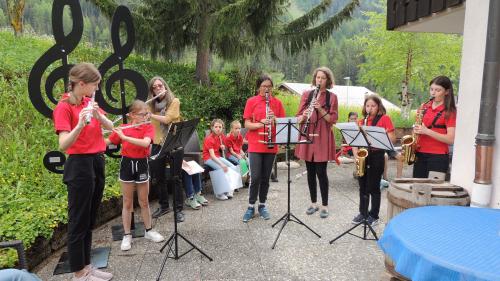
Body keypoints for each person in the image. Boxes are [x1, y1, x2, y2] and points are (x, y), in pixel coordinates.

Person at [53, 63, 114, 281]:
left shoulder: (89, 102)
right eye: (94, 85)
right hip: (79, 165)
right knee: (78, 220)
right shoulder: (64, 107)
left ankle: (87, 266)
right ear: (81, 84)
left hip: (97, 161)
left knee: (89, 219)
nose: (96, 88)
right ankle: (79, 273)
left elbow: (111, 128)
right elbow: (63, 144)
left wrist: (98, 115)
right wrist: (79, 124)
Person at [106, 100, 165, 251]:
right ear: (131, 115)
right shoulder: (123, 128)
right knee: (127, 202)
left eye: (147, 113)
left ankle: (149, 231)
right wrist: (89, 138)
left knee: (144, 201)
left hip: (142, 164)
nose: (146, 116)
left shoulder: (148, 127)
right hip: (127, 164)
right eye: (142, 114)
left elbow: (146, 144)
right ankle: (127, 235)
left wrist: (124, 138)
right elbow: (108, 141)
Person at [295, 67, 339, 219]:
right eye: (318, 78)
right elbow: (298, 118)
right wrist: (304, 116)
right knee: (310, 172)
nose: (320, 80)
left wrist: (320, 109)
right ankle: (313, 203)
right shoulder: (307, 95)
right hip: (308, 134)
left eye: (323, 78)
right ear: (315, 79)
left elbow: (332, 120)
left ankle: (325, 205)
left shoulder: (331, 97)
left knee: (321, 172)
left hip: (322, 135)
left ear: (328, 81)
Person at [242, 74, 285, 222]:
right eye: (264, 86)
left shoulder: (277, 103)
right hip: (255, 144)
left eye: (269, 86)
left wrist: (274, 120)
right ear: (258, 87)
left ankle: (262, 205)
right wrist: (261, 123)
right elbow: (247, 124)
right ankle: (250, 206)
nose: (267, 89)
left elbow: (282, 123)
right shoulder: (251, 101)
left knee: (266, 178)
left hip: (271, 144)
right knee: (255, 177)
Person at [352, 94, 396, 227]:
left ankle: (374, 215)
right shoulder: (361, 121)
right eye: (367, 106)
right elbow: (355, 141)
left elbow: (392, 139)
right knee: (362, 186)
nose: (369, 108)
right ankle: (363, 213)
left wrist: (374, 136)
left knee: (373, 187)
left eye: (373, 106)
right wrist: (356, 157)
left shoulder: (384, 119)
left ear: (379, 106)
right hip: (363, 156)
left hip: (377, 156)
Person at [147, 76, 184, 222]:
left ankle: (178, 210)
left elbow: (168, 119)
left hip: (173, 142)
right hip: (157, 143)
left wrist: (151, 115)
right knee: (158, 177)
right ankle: (164, 206)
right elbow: (146, 120)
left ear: (165, 86)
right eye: (154, 87)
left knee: (176, 178)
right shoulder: (150, 105)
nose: (158, 89)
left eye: (160, 86)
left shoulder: (174, 101)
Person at [412, 75, 457, 178]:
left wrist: (427, 131)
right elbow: (418, 128)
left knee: (434, 190)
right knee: (418, 188)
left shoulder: (450, 111)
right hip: (420, 154)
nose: (433, 92)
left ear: (447, 92)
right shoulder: (424, 107)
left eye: (438, 90)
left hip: (438, 157)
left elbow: (450, 139)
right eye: (431, 89)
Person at [202, 119, 237, 200]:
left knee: (232, 166)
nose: (218, 129)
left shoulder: (220, 136)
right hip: (208, 158)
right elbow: (212, 155)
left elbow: (228, 140)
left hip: (217, 156)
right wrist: (222, 164)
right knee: (221, 169)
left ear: (222, 128)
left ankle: (229, 189)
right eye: (216, 127)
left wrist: (222, 147)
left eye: (220, 127)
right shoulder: (209, 139)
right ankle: (219, 193)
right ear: (212, 128)